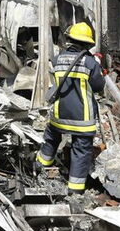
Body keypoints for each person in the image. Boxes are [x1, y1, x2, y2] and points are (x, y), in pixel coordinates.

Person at [36, 22, 104, 193]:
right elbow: (98, 87)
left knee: (51, 137)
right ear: (87, 43)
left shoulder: (57, 59)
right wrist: (96, 66)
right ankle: (75, 188)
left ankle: (40, 165)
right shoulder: (90, 63)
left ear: (70, 39)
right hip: (82, 119)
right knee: (81, 151)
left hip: (60, 115)